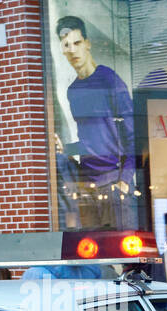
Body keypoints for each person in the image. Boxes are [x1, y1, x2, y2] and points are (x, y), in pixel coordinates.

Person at [55, 15, 137, 229]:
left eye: (77, 42)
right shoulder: (73, 91)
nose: (72, 50)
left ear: (87, 44)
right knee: (92, 249)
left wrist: (125, 180)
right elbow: (89, 141)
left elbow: (133, 135)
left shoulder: (109, 80)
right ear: (62, 50)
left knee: (121, 249)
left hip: (114, 181)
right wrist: (66, 148)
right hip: (88, 185)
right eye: (66, 45)